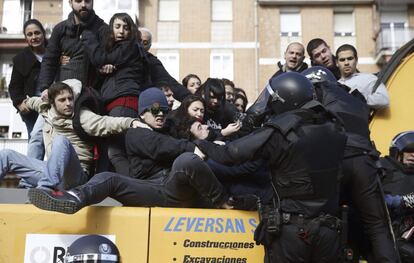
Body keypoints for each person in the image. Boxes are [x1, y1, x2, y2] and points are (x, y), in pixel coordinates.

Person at [193, 72, 347, 262]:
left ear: (282, 100)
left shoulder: (281, 132)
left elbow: (231, 154)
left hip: (294, 233)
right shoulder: (335, 128)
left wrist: (201, 143)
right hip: (329, 231)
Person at [28, 88, 235, 214]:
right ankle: (74, 199)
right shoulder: (137, 132)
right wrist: (195, 146)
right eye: (154, 110)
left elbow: (198, 132)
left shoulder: (172, 128)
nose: (160, 114)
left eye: (163, 109)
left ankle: (225, 202)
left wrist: (214, 141)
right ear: (143, 113)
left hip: (179, 186)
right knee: (109, 178)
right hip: (152, 190)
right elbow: (159, 146)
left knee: (186, 161)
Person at [302, 66, 399, 262]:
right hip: (364, 160)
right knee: (377, 225)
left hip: (332, 160)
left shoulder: (312, 94)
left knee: (321, 222)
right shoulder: (355, 97)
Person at [0, 79, 140, 190]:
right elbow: (32, 102)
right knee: (5, 155)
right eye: (62, 100)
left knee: (61, 140)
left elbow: (106, 123)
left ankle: (45, 190)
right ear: (52, 103)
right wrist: (24, 102)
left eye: (70, 98)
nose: (68, 104)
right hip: (52, 171)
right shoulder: (45, 108)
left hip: (75, 176)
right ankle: (48, 184)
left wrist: (131, 122)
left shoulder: (82, 116)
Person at [81, 13, 147, 175]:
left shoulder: (129, 46)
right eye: (117, 27)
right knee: (114, 152)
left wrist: (88, 37)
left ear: (132, 31)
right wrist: (103, 69)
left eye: (126, 28)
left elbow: (99, 58)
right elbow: (104, 61)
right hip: (118, 103)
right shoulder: (121, 49)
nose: (122, 31)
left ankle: (133, 189)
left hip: (123, 103)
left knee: (116, 153)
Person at [38, 0, 106, 91]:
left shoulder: (103, 29)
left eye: (87, 1)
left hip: (93, 95)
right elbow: (49, 61)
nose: (83, 5)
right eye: (78, 1)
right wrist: (45, 88)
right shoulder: (60, 29)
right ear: (70, 3)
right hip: (64, 95)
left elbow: (108, 60)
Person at [8, 19, 47, 160]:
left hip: (51, 103)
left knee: (44, 139)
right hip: (31, 107)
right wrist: (19, 103)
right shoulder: (20, 59)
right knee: (35, 140)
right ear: (26, 38)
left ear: (44, 33)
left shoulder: (55, 53)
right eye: (29, 34)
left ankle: (35, 177)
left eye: (37, 33)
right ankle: (34, 175)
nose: (34, 37)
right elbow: (14, 87)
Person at [380, 131, 414, 262]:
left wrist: (403, 201)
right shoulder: (380, 167)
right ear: (398, 151)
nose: (413, 154)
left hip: (406, 235)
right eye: (409, 150)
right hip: (378, 229)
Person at [138, 27, 191, 101]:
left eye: (145, 43)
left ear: (150, 46)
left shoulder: (152, 62)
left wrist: (192, 100)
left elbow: (170, 83)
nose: (140, 45)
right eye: (138, 41)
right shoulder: (120, 55)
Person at [336, 44, 389, 109]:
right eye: (342, 60)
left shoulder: (368, 78)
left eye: (350, 59)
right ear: (337, 63)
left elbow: (384, 100)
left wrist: (360, 97)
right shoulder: (334, 85)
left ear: (356, 60)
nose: (346, 62)